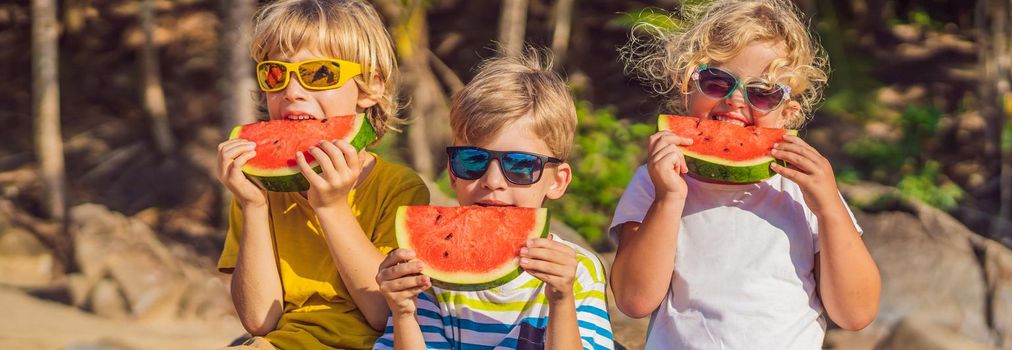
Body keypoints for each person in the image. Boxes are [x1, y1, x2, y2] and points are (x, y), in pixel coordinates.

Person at [609, 0, 881, 348]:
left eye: (763, 92)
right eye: (717, 81)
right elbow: (634, 301)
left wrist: (829, 207)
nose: (736, 101)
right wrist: (669, 199)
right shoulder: (655, 182)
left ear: (788, 114)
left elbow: (855, 313)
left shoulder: (803, 190)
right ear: (687, 86)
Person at [215, 1, 429, 348]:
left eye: (319, 74)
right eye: (275, 74)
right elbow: (259, 320)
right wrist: (253, 205)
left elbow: (382, 313)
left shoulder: (399, 188)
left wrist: (330, 207)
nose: (293, 91)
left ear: (370, 87)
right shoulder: (256, 188)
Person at [373, 51, 615, 350]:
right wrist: (404, 312)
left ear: (558, 181)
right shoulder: (426, 271)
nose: (492, 181)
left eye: (520, 165)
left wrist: (562, 300)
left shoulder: (577, 270)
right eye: (473, 160)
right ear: (452, 173)